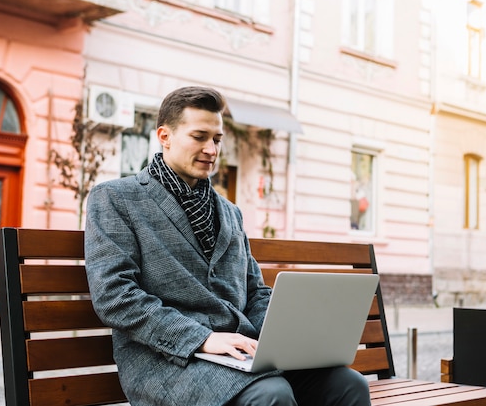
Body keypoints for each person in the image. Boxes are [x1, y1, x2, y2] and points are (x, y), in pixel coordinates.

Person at [84, 86, 370, 406]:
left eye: (217, 139)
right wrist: (203, 339)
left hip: (240, 355)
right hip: (169, 361)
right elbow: (114, 296)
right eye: (199, 136)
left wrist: (291, 337)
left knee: (349, 385)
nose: (211, 149)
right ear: (165, 136)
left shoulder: (229, 211)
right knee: (271, 395)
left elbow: (254, 291)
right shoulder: (115, 198)